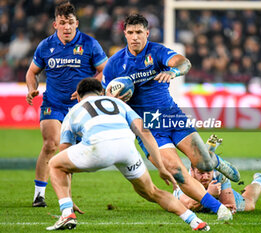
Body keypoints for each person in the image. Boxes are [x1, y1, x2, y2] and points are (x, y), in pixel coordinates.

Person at [102, 14, 238, 221]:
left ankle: (214, 161)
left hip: (173, 118)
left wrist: (173, 72)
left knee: (204, 165)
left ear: (147, 33)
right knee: (177, 170)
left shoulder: (156, 51)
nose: (135, 37)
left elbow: (184, 63)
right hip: (148, 129)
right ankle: (220, 209)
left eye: (139, 32)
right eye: (130, 33)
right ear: (125, 34)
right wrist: (102, 96)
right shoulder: (114, 64)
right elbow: (105, 95)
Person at [46, 78, 210, 231]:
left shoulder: (73, 111)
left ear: (78, 97)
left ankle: (67, 214)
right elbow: (144, 133)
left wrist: (66, 197)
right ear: (101, 93)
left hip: (97, 148)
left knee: (54, 164)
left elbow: (65, 152)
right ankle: (195, 221)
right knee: (152, 192)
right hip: (127, 149)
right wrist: (161, 167)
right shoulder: (119, 103)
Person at [25, 1, 108, 208]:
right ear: (56, 24)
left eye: (71, 22)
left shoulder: (89, 44)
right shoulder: (45, 46)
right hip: (53, 103)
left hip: (80, 108)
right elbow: (32, 72)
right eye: (63, 23)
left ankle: (66, 199)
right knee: (51, 144)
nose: (67, 27)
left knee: (68, 150)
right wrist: (31, 89)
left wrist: (89, 86)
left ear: (77, 23)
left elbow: (105, 70)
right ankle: (39, 195)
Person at [173, 135, 261, 213]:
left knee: (249, 205)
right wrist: (210, 195)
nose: (206, 177)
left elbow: (231, 206)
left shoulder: (218, 175)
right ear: (192, 171)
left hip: (218, 193)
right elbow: (189, 205)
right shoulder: (185, 177)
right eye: (201, 173)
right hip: (206, 195)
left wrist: (226, 207)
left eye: (208, 172)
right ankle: (210, 155)